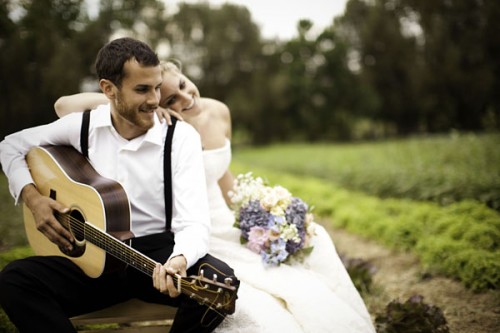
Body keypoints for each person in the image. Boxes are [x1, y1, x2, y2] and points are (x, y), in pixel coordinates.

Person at [54, 60, 377, 332]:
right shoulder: (158, 129)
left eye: (182, 84)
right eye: (170, 101)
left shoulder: (218, 111)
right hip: (194, 229)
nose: (185, 98)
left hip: (226, 220)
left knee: (315, 237)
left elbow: (222, 175)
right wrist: (119, 97)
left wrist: (263, 212)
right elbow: (64, 106)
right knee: (262, 302)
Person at [0, 37, 239, 333]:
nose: (154, 100)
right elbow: (10, 145)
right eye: (142, 89)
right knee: (14, 280)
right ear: (108, 90)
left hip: (157, 255)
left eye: (156, 87)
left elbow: (194, 221)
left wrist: (180, 258)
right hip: (91, 259)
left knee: (217, 284)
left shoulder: (180, 137)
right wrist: (34, 200)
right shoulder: (84, 126)